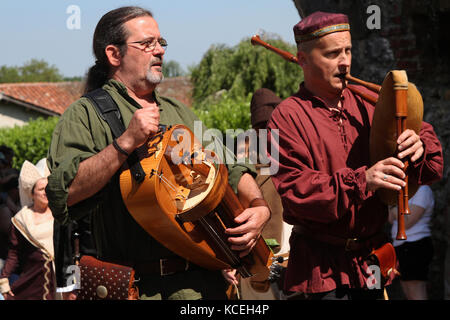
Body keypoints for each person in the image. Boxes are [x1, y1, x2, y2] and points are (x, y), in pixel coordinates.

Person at [46, 6, 270, 300]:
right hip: (138, 289)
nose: (159, 51)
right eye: (147, 43)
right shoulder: (86, 115)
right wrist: (124, 143)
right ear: (114, 55)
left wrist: (257, 205)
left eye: (161, 43)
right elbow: (65, 192)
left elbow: (230, 167)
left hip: (205, 288)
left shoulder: (179, 111)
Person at [266, 11, 444, 300]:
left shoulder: (370, 102)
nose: (345, 61)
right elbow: (296, 194)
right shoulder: (283, 119)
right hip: (322, 266)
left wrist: (419, 145)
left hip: (372, 260)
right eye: (333, 53)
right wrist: (364, 179)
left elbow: (431, 166)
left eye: (348, 50)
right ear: (303, 59)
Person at [0, 159, 55, 300]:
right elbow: (14, 252)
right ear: (32, 194)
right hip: (32, 281)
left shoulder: (60, 215)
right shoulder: (21, 219)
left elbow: (71, 250)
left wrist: (74, 282)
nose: (45, 193)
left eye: (48, 188)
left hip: (58, 280)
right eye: (41, 189)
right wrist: (4, 279)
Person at [388, 185, 435, 299]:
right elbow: (390, 218)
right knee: (407, 289)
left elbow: (406, 222)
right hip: (402, 245)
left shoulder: (423, 190)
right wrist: (395, 209)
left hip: (416, 244)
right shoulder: (401, 191)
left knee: (416, 289)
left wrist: (394, 207)